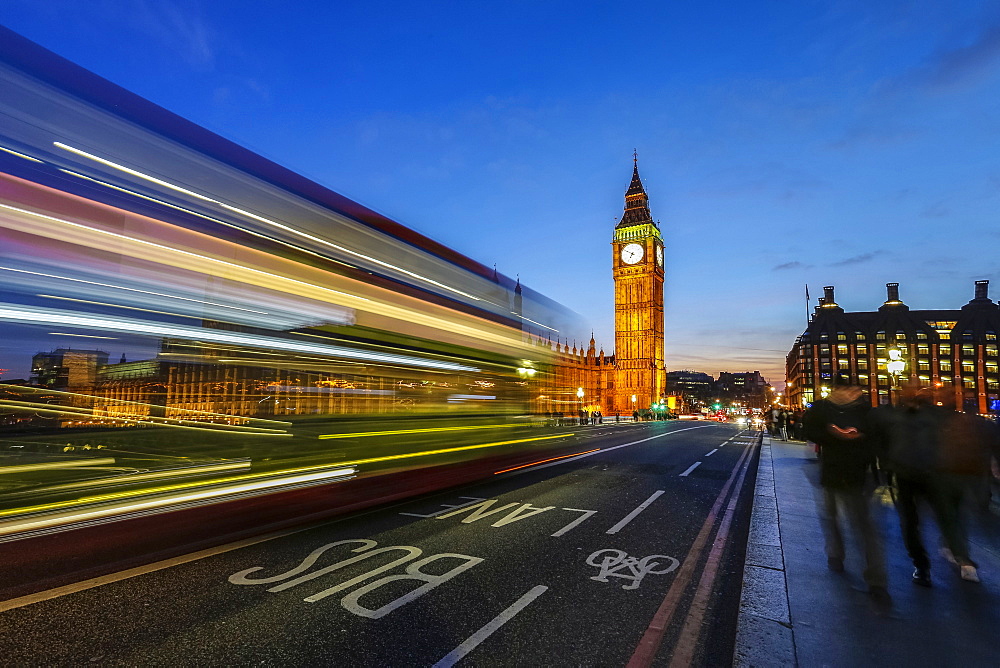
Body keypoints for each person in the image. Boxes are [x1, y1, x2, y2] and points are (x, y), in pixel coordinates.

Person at [871, 387, 980, 585]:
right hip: (922, 474)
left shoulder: (903, 417)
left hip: (921, 474)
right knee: (937, 519)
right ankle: (943, 561)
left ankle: (926, 565)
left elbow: (883, 441)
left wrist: (888, 464)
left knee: (920, 522)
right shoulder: (931, 417)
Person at [803, 383, 890, 614]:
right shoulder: (822, 409)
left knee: (864, 526)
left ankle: (876, 579)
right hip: (831, 472)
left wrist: (856, 437)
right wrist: (833, 433)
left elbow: (878, 440)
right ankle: (836, 554)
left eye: (852, 390)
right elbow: (809, 431)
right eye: (841, 390)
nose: (848, 394)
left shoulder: (867, 413)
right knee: (830, 518)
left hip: (859, 475)